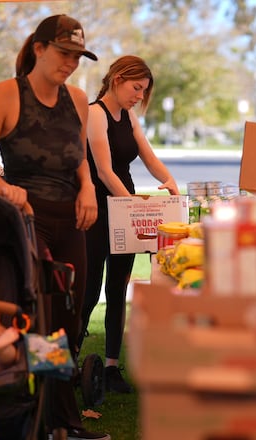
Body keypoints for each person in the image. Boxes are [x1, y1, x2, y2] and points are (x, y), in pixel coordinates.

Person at [0, 14, 109, 440]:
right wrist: (6, 188)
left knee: (72, 312)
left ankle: (53, 412)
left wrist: (87, 188)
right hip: (27, 220)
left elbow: (79, 156)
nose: (71, 63)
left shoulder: (80, 99)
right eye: (65, 53)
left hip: (73, 218)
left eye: (78, 57)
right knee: (43, 315)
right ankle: (56, 418)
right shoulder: (7, 94)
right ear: (40, 48)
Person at [78, 55, 179, 393]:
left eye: (144, 91)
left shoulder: (129, 116)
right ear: (117, 78)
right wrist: (133, 206)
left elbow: (148, 156)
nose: (139, 96)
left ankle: (110, 367)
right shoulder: (95, 114)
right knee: (90, 290)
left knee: (118, 288)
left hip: (125, 209)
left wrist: (169, 180)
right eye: (136, 88)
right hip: (98, 210)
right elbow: (104, 170)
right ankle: (69, 362)